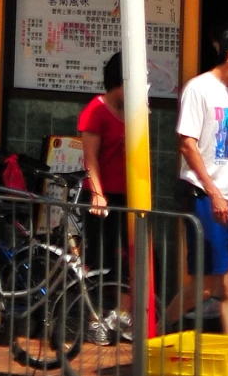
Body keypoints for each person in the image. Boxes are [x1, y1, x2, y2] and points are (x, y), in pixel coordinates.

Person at [173, 24, 228, 335]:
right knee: (206, 287)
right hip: (207, 195)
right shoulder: (198, 89)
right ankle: (153, 328)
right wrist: (214, 193)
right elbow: (187, 143)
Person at [79, 52, 131, 331]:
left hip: (127, 194)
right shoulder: (95, 110)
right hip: (102, 196)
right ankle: (94, 319)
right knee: (99, 260)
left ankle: (121, 316)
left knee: (127, 256)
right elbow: (91, 159)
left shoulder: (134, 108)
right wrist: (98, 194)